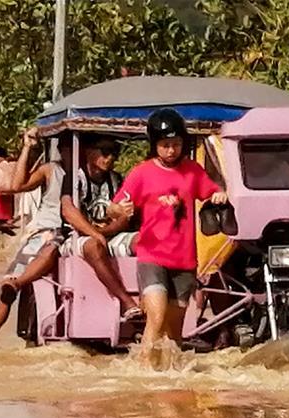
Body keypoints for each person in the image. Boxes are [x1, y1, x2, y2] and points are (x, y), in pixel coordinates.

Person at [110, 108, 227, 361]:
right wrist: (119, 209)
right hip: (152, 256)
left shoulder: (193, 171)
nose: (171, 150)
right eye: (165, 145)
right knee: (157, 316)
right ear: (155, 145)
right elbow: (114, 206)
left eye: (176, 144)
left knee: (175, 334)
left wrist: (218, 195)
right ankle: (145, 375)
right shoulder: (141, 173)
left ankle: (169, 380)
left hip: (184, 261)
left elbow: (212, 191)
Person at [0, 127, 66, 353]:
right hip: (45, 231)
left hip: (72, 232)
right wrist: (26, 148)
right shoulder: (50, 170)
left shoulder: (103, 176)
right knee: (8, 285)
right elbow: (16, 186)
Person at [59, 134, 141, 320]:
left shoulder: (116, 180)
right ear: (88, 152)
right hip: (74, 238)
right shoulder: (74, 178)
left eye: (114, 152)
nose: (110, 157)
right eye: (105, 152)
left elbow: (124, 217)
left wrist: (104, 232)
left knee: (143, 240)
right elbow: (68, 211)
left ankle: (151, 296)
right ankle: (126, 302)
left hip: (108, 234)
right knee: (93, 246)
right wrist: (95, 234)